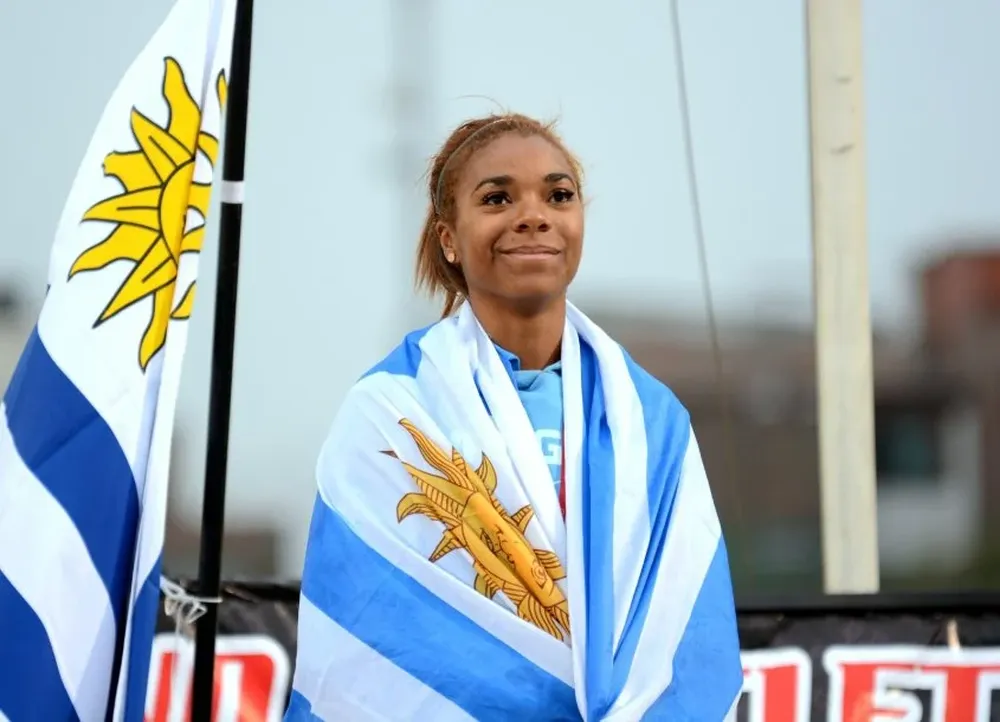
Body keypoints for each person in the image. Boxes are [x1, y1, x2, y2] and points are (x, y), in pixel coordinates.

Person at [286, 113, 743, 721]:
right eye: (497, 198)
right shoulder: (388, 416)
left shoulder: (652, 420)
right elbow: (371, 644)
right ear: (449, 237)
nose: (534, 214)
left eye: (559, 195)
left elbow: (689, 629)